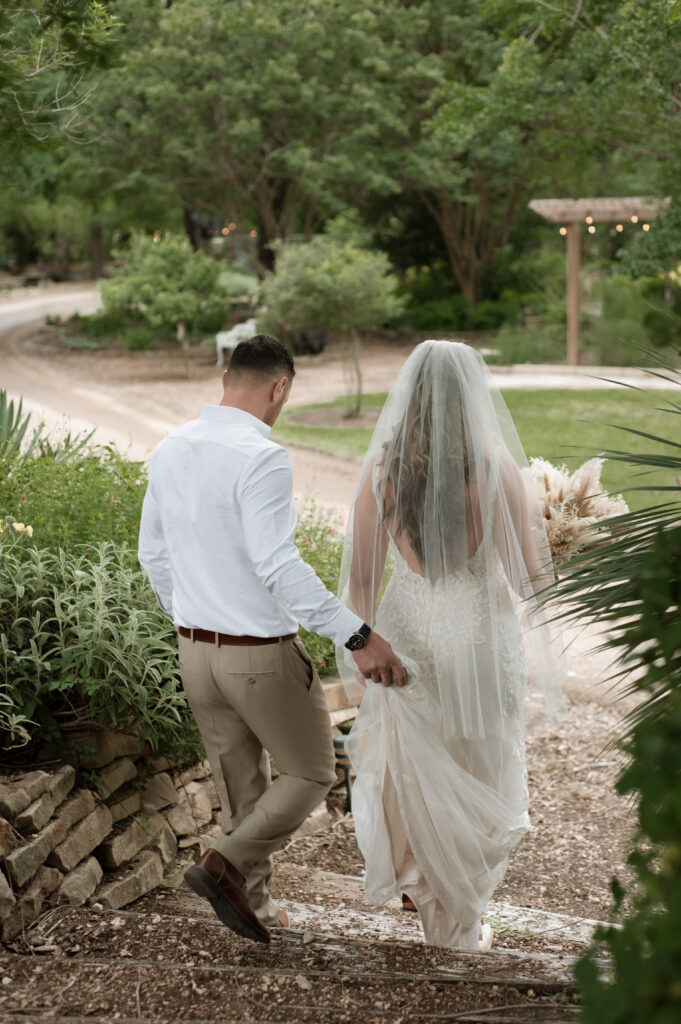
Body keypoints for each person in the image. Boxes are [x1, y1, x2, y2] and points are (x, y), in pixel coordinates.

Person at [138, 334, 406, 945]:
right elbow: (278, 565)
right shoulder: (262, 457)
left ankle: (251, 905)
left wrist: (189, 618)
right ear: (279, 387)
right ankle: (222, 862)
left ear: (224, 377)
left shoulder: (171, 446)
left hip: (194, 650)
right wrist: (358, 634)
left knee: (243, 786)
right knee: (311, 773)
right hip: (256, 654)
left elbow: (151, 553)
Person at [337, 340, 564, 951]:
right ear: (472, 397)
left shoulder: (384, 469)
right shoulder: (493, 466)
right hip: (479, 638)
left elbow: (360, 574)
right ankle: (461, 921)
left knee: (415, 772)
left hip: (407, 636)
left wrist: (362, 644)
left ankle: (431, 893)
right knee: (476, 768)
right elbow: (526, 580)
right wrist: (558, 546)